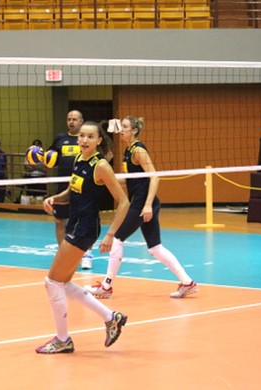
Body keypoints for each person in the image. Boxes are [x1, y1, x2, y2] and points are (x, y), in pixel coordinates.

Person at [36, 121, 129, 354]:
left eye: (90, 137)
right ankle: (111, 317)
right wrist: (56, 198)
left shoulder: (101, 166)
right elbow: (72, 190)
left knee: (52, 282)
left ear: (99, 141)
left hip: (85, 228)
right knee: (63, 283)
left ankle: (62, 339)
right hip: (76, 224)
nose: (84, 140)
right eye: (81, 136)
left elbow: (124, 202)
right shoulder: (79, 159)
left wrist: (111, 234)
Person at [85, 117, 199, 299]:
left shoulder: (138, 150)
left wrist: (147, 205)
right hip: (144, 203)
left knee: (117, 238)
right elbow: (132, 180)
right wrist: (105, 179)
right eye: (121, 126)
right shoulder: (128, 151)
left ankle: (106, 287)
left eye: (125, 127)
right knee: (155, 247)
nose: (122, 130)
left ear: (134, 131)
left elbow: (155, 177)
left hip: (143, 204)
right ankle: (187, 282)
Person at [46, 110, 94, 270]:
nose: (71, 122)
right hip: (63, 185)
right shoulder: (60, 139)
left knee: (83, 222)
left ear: (81, 121)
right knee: (60, 221)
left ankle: (86, 255)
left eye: (74, 119)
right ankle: (63, 254)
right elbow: (50, 159)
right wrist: (41, 157)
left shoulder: (86, 140)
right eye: (69, 119)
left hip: (82, 184)